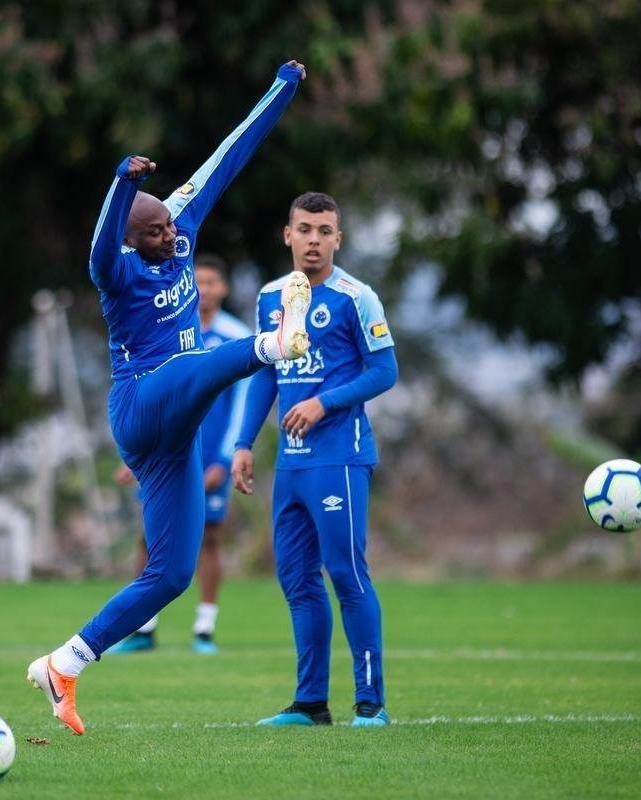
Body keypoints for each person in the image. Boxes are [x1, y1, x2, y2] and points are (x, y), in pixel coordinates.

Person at [26, 60, 310, 735]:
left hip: (174, 433)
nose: (170, 239)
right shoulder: (114, 270)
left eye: (169, 229)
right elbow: (100, 243)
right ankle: (274, 344)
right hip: (140, 406)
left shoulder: (179, 225)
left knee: (172, 572)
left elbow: (228, 156)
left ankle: (64, 663)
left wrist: (282, 90)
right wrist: (121, 185)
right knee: (203, 362)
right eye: (153, 233)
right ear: (131, 236)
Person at [231, 192, 399, 727]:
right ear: (288, 235)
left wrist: (323, 401)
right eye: (304, 229)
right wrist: (241, 443)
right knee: (298, 582)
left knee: (347, 574)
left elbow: (384, 371)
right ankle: (310, 703)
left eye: (325, 231)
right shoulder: (269, 298)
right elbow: (264, 374)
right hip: (292, 465)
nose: (314, 239)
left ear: (338, 240)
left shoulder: (357, 297)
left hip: (340, 458)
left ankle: (370, 703)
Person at [108, 253, 252, 655]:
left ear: (222, 288)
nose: (204, 289)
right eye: (198, 282)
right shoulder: (171, 329)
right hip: (163, 450)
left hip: (209, 456)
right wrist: (135, 451)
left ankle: (204, 629)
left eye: (211, 283)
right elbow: (147, 394)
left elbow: (243, 400)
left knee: (209, 538)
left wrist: (225, 459)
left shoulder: (236, 335)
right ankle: (144, 628)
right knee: (148, 537)